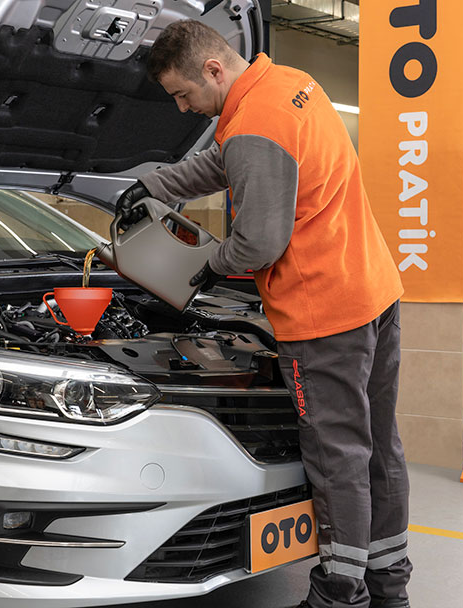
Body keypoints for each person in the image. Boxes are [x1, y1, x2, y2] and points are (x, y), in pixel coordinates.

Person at [114, 20, 411, 608]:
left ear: (213, 69)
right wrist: (155, 185)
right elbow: (227, 162)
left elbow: (258, 244)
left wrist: (208, 266)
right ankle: (389, 587)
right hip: (371, 290)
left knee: (336, 456)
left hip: (323, 312)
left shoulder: (255, 124)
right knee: (379, 446)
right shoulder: (289, 85)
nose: (182, 109)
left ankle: (338, 594)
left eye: (183, 94)